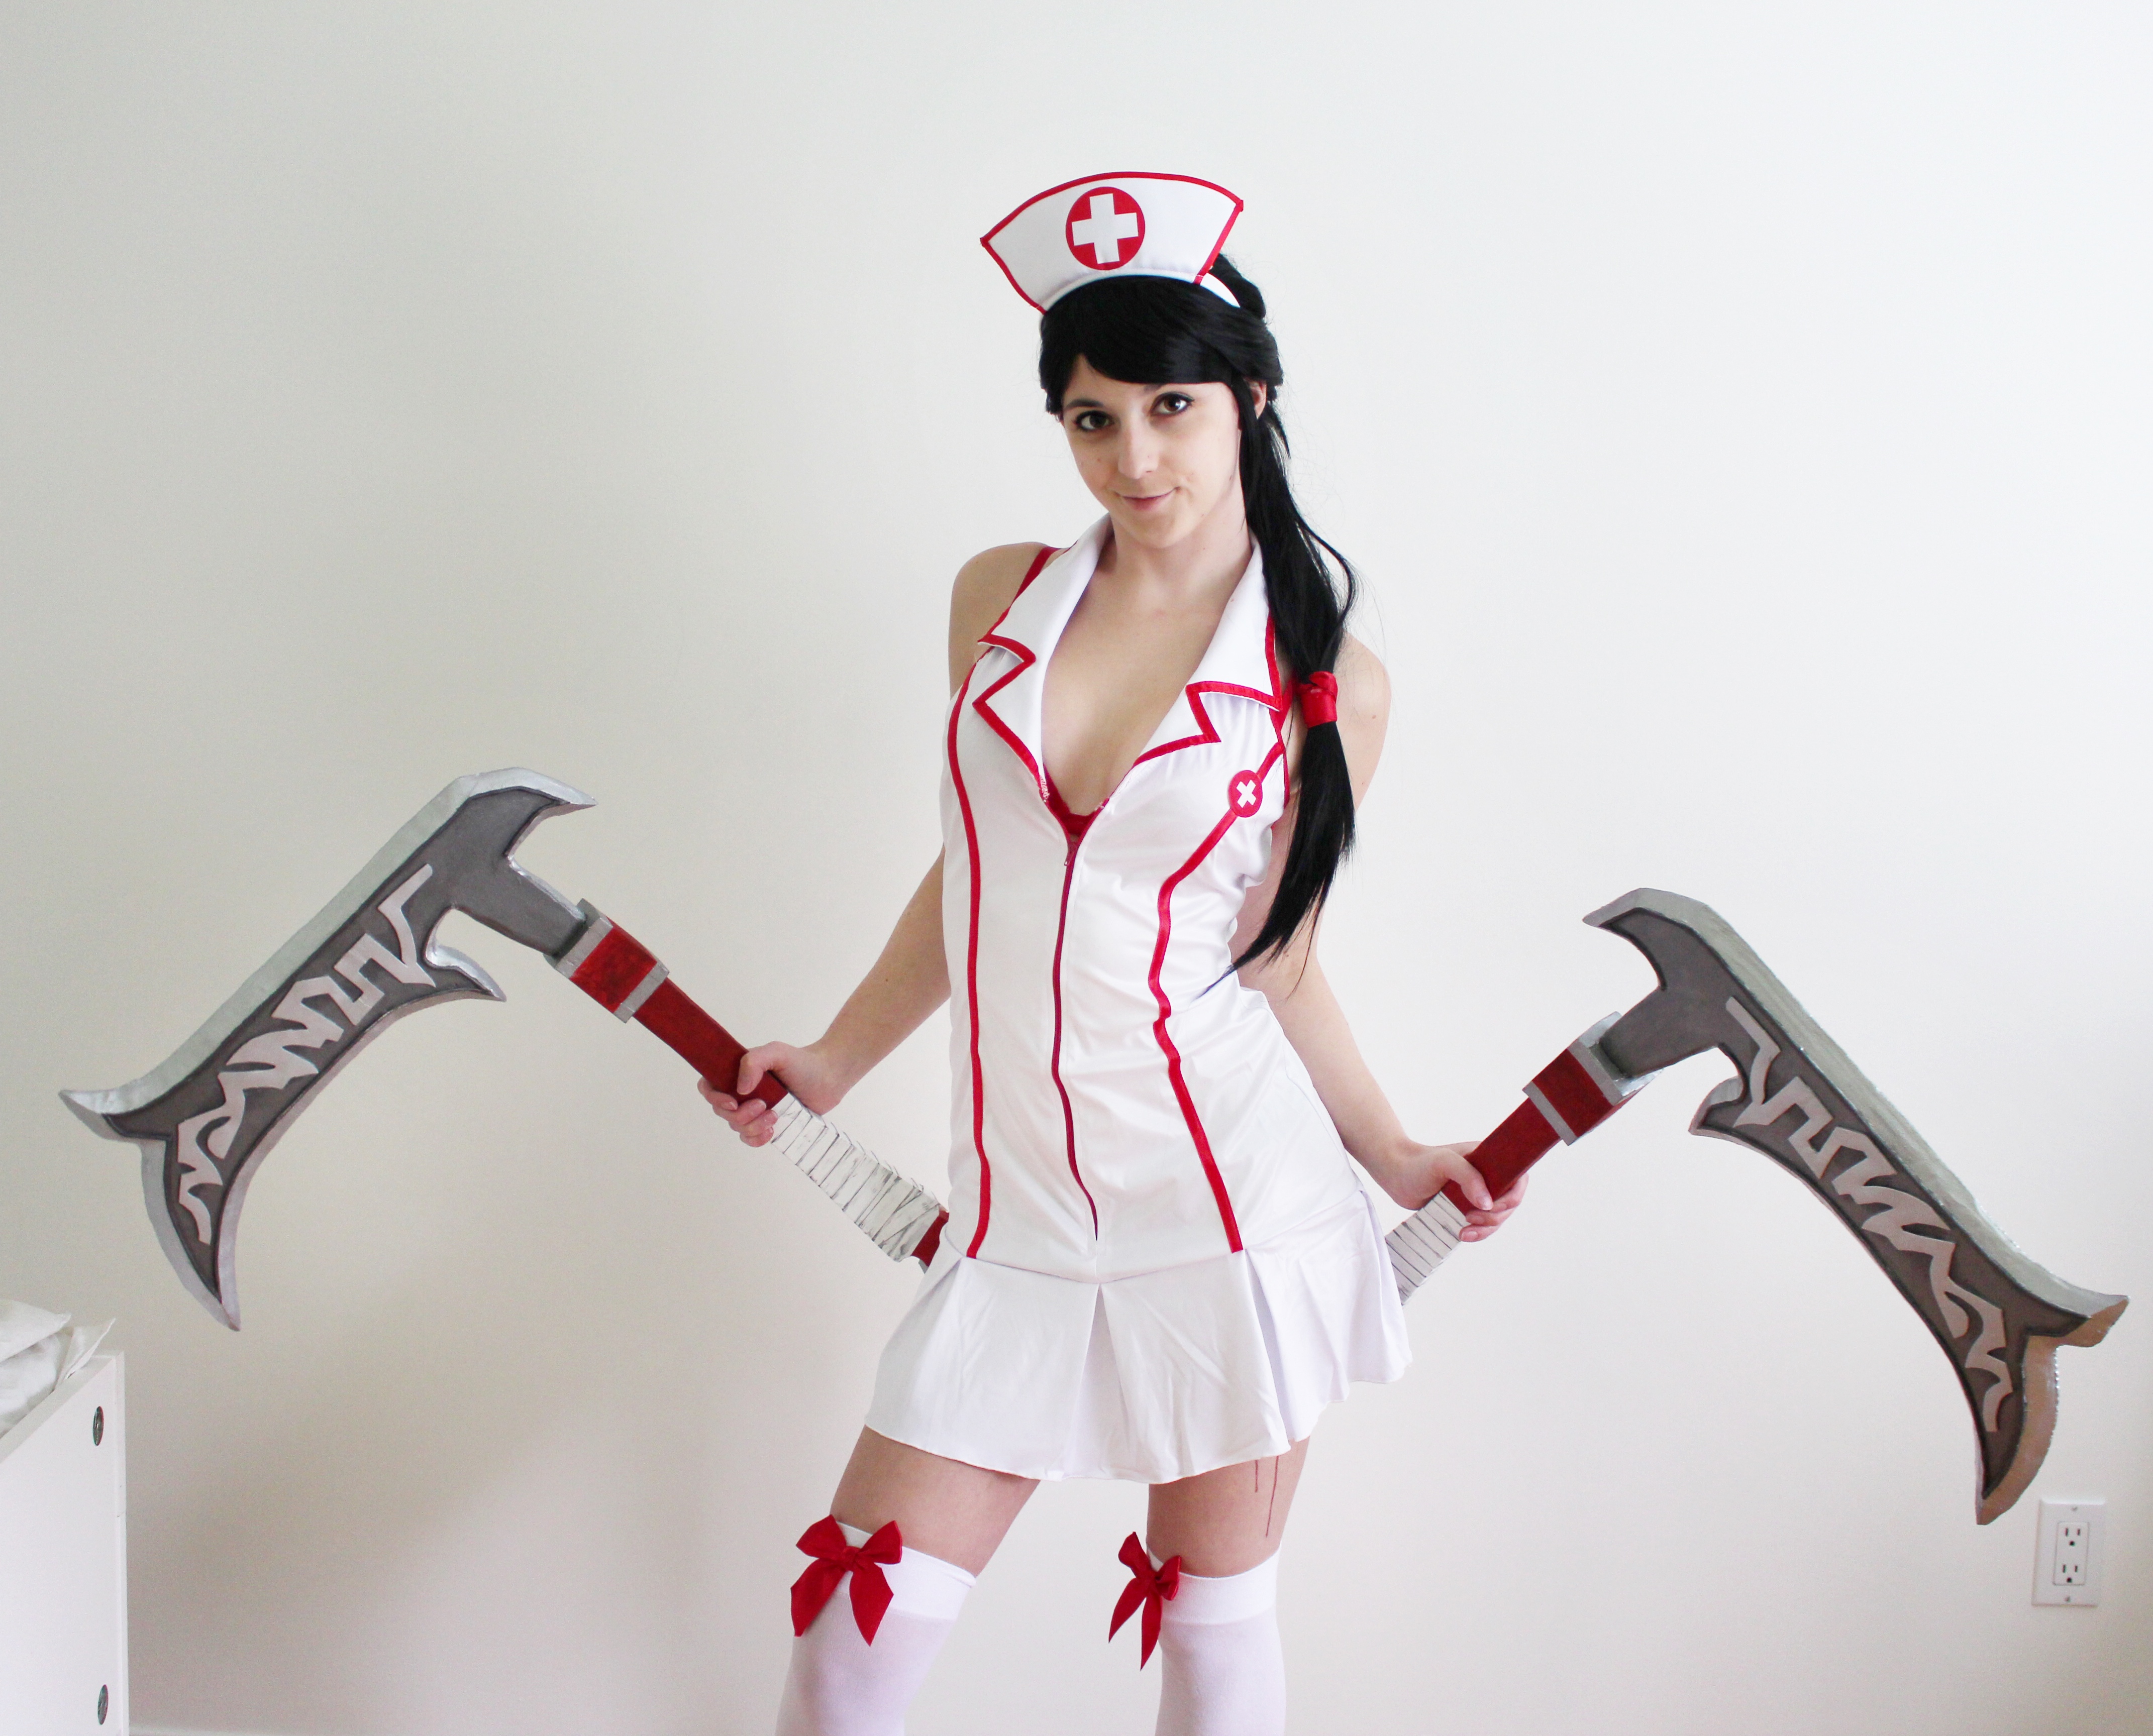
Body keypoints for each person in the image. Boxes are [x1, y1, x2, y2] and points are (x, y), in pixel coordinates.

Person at [703, 172, 1526, 1736]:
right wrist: (832, 1059)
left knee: (1211, 1648)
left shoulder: (1327, 680)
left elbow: (1277, 956)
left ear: (1249, 401)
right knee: (850, 1648)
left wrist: (1395, 1152)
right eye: (1092, 418)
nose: (1134, 457)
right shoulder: (1001, 598)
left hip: (1231, 1216)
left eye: (1170, 407)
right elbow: (979, 869)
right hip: (1017, 1222)